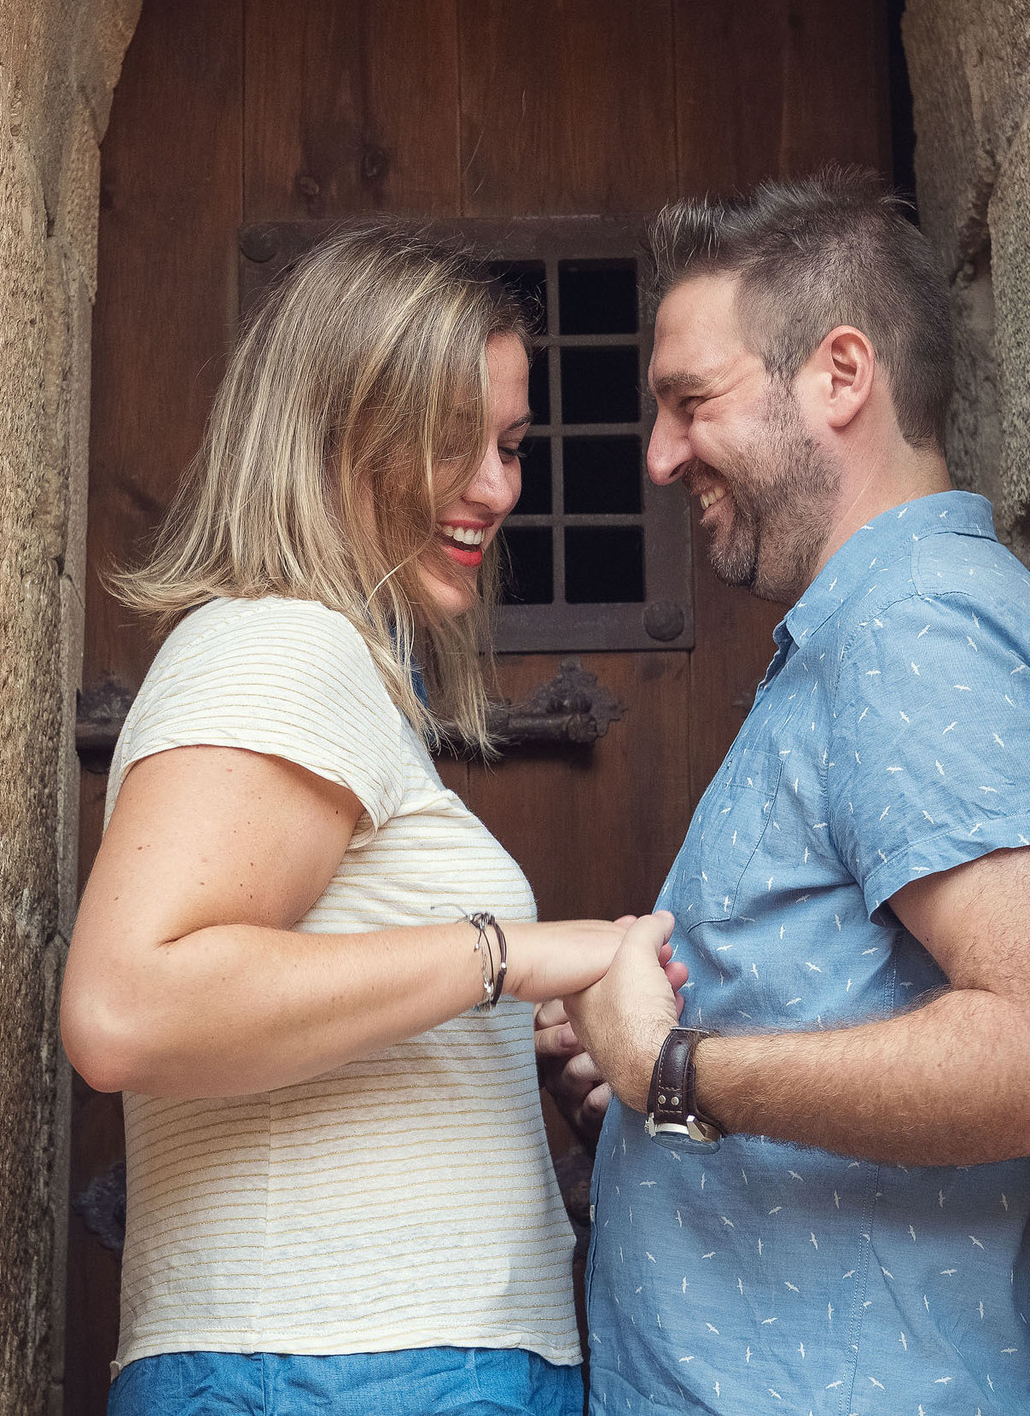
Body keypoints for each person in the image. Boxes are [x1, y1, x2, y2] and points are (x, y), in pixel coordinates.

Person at [543, 174, 1030, 1415]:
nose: (659, 456)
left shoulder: (921, 627)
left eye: (689, 402)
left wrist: (675, 1070)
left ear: (839, 374)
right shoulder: (865, 634)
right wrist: (636, 1064)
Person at [60, 227, 642, 1416]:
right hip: (336, 1368)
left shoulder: (335, 667)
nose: (496, 487)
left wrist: (494, 1034)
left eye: (510, 445)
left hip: (372, 1363)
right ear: (335, 433)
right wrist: (512, 954)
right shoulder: (282, 645)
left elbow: (284, 988)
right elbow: (127, 1008)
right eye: (450, 444)